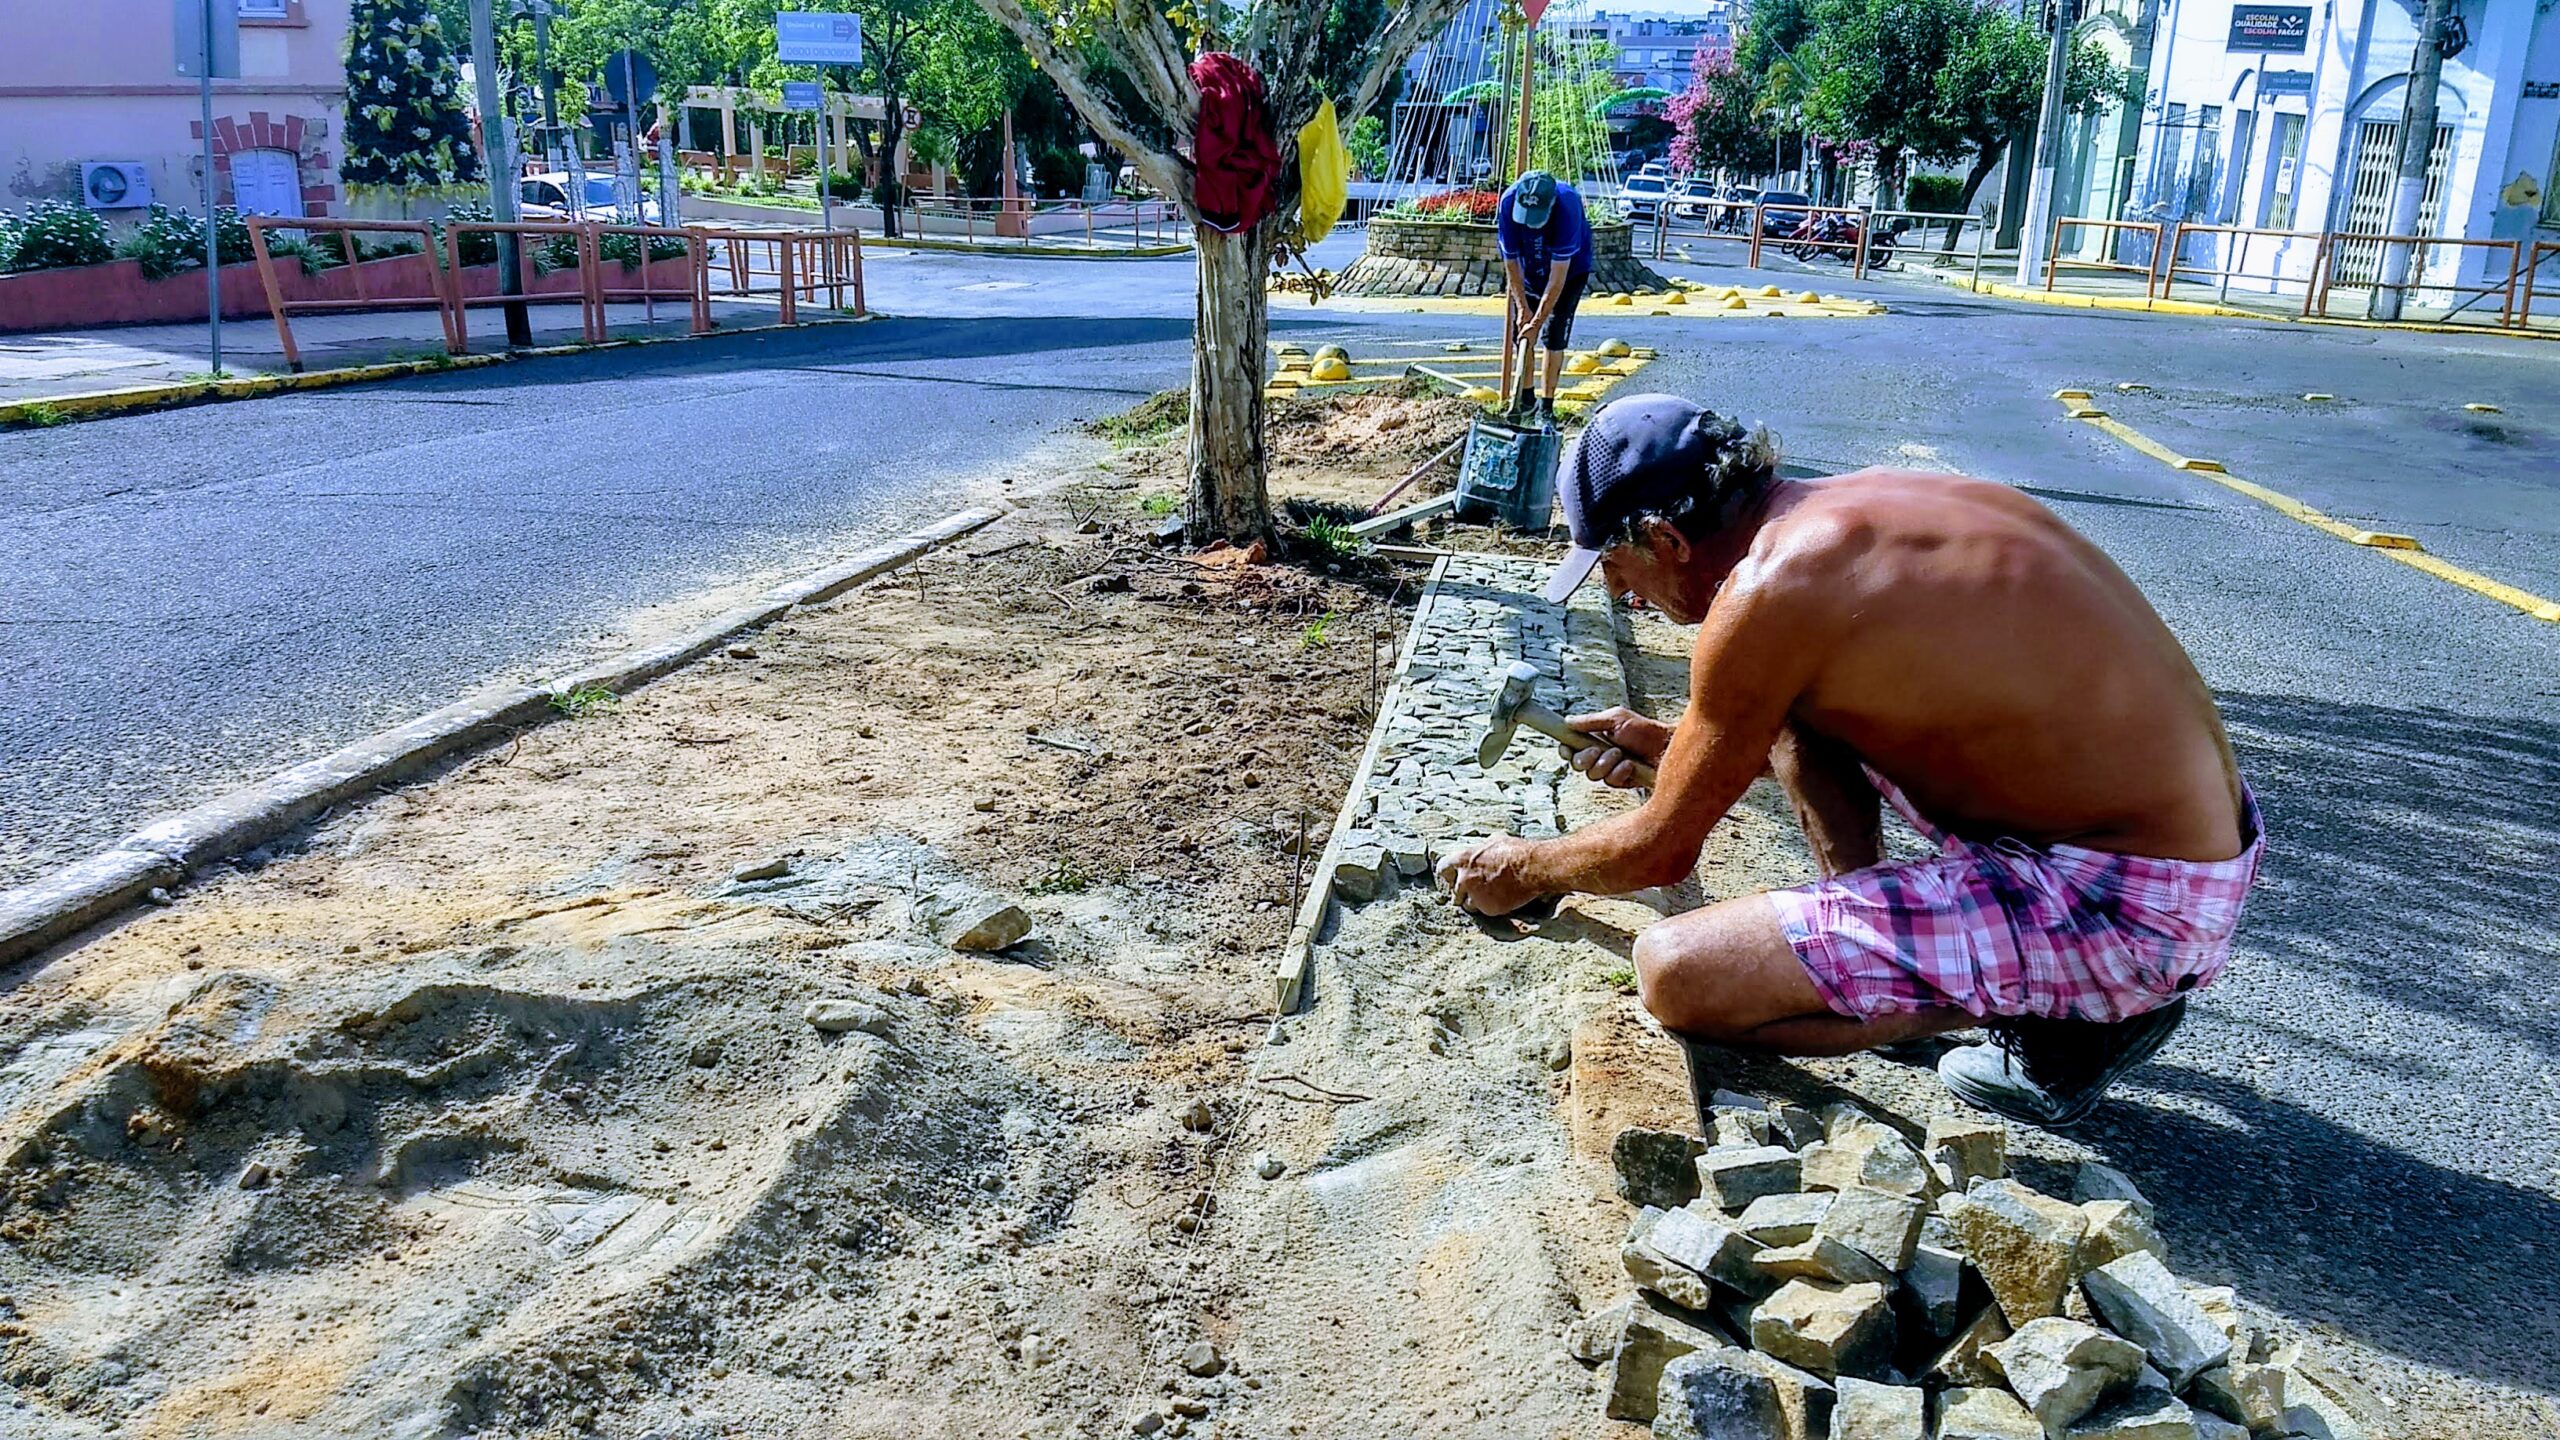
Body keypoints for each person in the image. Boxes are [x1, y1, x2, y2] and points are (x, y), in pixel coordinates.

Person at [1438, 396, 2263, 1127]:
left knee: (1679, 973)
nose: (1620, 596)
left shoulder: (1769, 590)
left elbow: (1661, 851)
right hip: (2178, 852)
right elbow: (1894, 731)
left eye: (1617, 569)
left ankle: (2075, 1022)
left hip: (2122, 906)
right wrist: (1675, 749)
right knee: (1802, 718)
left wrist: (1525, 867)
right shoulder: (1854, 511)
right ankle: (1904, 965)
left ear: (1666, 538)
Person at [1495, 170, 1593, 424]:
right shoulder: (1507, 203)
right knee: (1521, 333)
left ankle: (1547, 408)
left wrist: (1537, 321)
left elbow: (1558, 276)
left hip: (1570, 272)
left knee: (1554, 333)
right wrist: (1523, 309)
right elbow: (1511, 262)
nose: (1528, 223)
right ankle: (1525, 400)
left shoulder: (1568, 206)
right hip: (1529, 270)